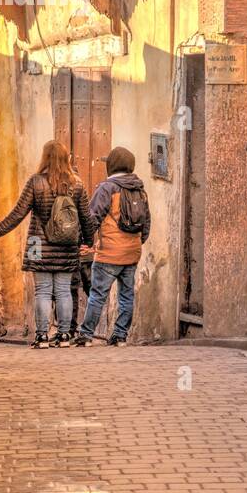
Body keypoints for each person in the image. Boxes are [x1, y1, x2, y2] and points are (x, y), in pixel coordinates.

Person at [0, 139, 95, 349]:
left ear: (45, 157)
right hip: (67, 245)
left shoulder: (36, 182)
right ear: (66, 158)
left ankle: (42, 336)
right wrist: (88, 242)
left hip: (38, 244)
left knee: (43, 291)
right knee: (64, 290)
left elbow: (18, 213)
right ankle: (64, 336)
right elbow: (86, 217)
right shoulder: (77, 184)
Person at [75, 146, 150, 347]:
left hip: (109, 253)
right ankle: (120, 336)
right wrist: (135, 244)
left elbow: (93, 218)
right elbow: (146, 224)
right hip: (131, 253)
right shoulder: (140, 190)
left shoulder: (107, 188)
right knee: (127, 295)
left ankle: (86, 335)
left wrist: (87, 243)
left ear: (112, 165)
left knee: (98, 295)